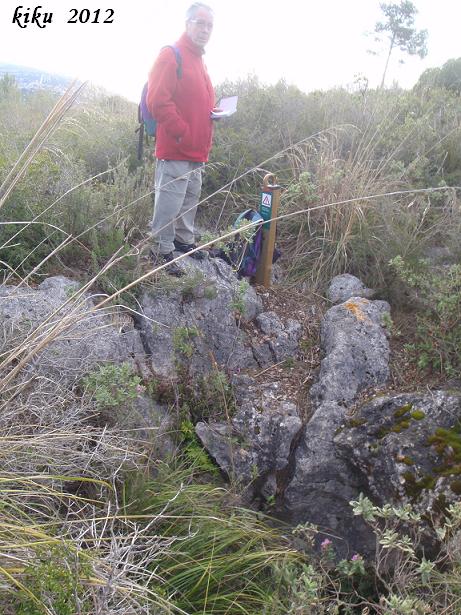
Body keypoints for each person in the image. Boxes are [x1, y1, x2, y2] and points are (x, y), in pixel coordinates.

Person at [147, 2, 215, 276]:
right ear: (188, 24)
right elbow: (157, 102)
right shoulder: (171, 54)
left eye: (210, 25)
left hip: (197, 149)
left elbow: (197, 100)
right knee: (170, 199)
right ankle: (160, 250)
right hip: (176, 146)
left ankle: (182, 241)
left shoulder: (199, 59)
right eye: (200, 23)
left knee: (189, 198)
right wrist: (183, 132)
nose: (205, 29)